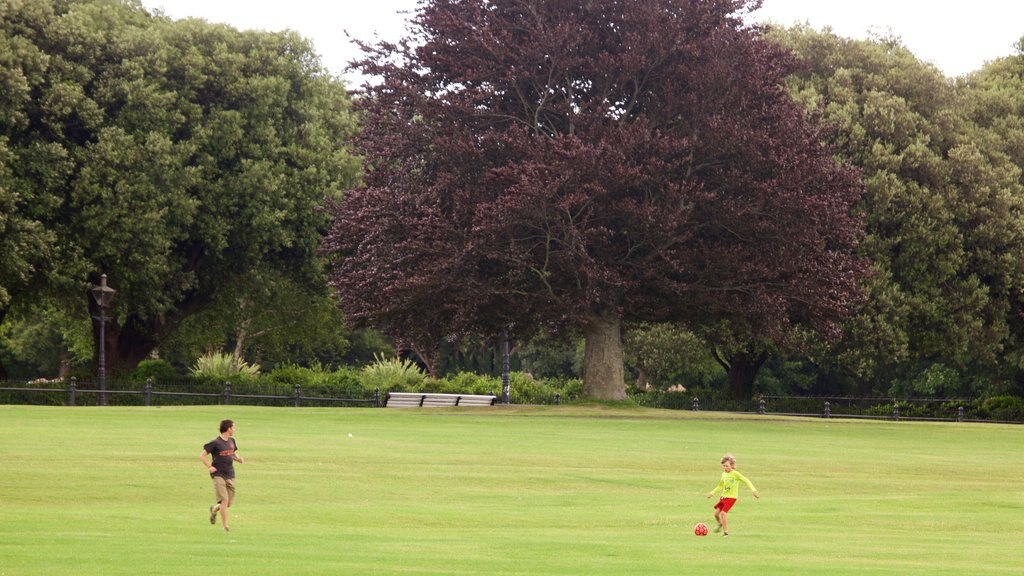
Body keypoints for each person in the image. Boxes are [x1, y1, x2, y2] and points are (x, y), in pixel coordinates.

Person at [199, 419, 244, 532]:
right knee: (224, 500)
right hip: (218, 474)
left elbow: (232, 453)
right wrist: (209, 466)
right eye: (233, 427)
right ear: (228, 429)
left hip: (230, 474)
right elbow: (202, 456)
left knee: (228, 503)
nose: (234, 429)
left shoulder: (232, 441)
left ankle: (214, 510)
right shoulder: (215, 443)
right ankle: (225, 527)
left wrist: (238, 459)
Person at [705, 453, 759, 537]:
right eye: (724, 466)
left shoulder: (735, 474)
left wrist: (754, 491)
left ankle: (725, 532)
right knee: (716, 514)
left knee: (723, 513)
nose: (725, 468)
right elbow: (720, 486)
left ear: (732, 465)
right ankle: (720, 524)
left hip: (731, 498)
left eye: (727, 466)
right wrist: (711, 493)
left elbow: (746, 480)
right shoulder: (723, 474)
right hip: (723, 497)